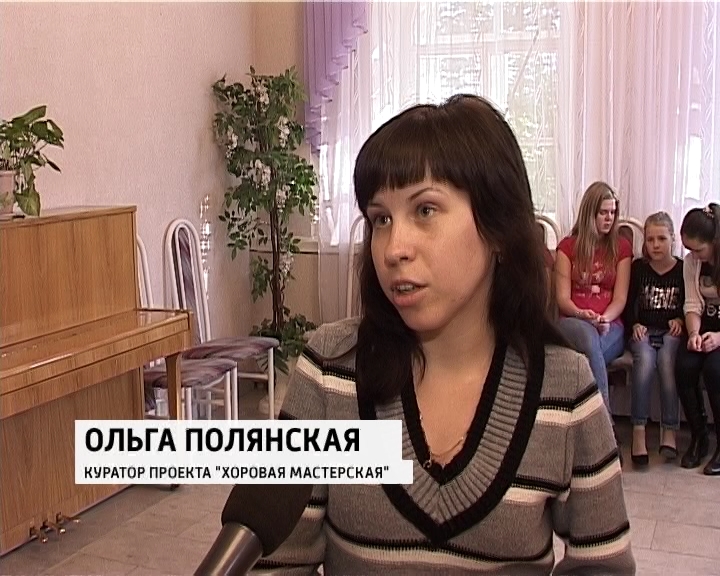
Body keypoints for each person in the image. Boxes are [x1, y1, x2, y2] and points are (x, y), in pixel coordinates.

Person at [258, 95, 635, 574]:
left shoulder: (564, 387)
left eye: (425, 210)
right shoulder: (329, 369)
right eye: (380, 219)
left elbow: (603, 566)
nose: (393, 249)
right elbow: (277, 560)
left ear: (498, 228)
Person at [554, 182, 633, 427]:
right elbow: (562, 300)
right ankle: (605, 425)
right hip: (573, 321)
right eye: (603, 212)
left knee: (588, 356)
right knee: (589, 339)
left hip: (610, 324)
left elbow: (620, 298)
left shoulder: (621, 247)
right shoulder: (567, 247)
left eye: (613, 212)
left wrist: (604, 318)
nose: (609, 218)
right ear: (590, 213)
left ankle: (588, 429)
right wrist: (583, 314)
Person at [623, 212, 684, 465]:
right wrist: (634, 324)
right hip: (643, 331)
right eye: (650, 239)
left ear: (672, 239)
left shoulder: (682, 269)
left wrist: (680, 320)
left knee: (668, 361)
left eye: (662, 239)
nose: (656, 245)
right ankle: (639, 431)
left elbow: (690, 305)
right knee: (645, 362)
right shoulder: (638, 268)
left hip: (671, 333)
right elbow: (627, 305)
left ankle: (669, 430)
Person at [675, 203, 720, 474]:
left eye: (698, 249)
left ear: (714, 242)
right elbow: (692, 303)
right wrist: (693, 334)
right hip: (704, 325)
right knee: (684, 365)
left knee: (715, 370)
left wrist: (719, 338)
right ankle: (699, 436)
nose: (693, 255)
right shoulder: (692, 262)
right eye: (688, 249)